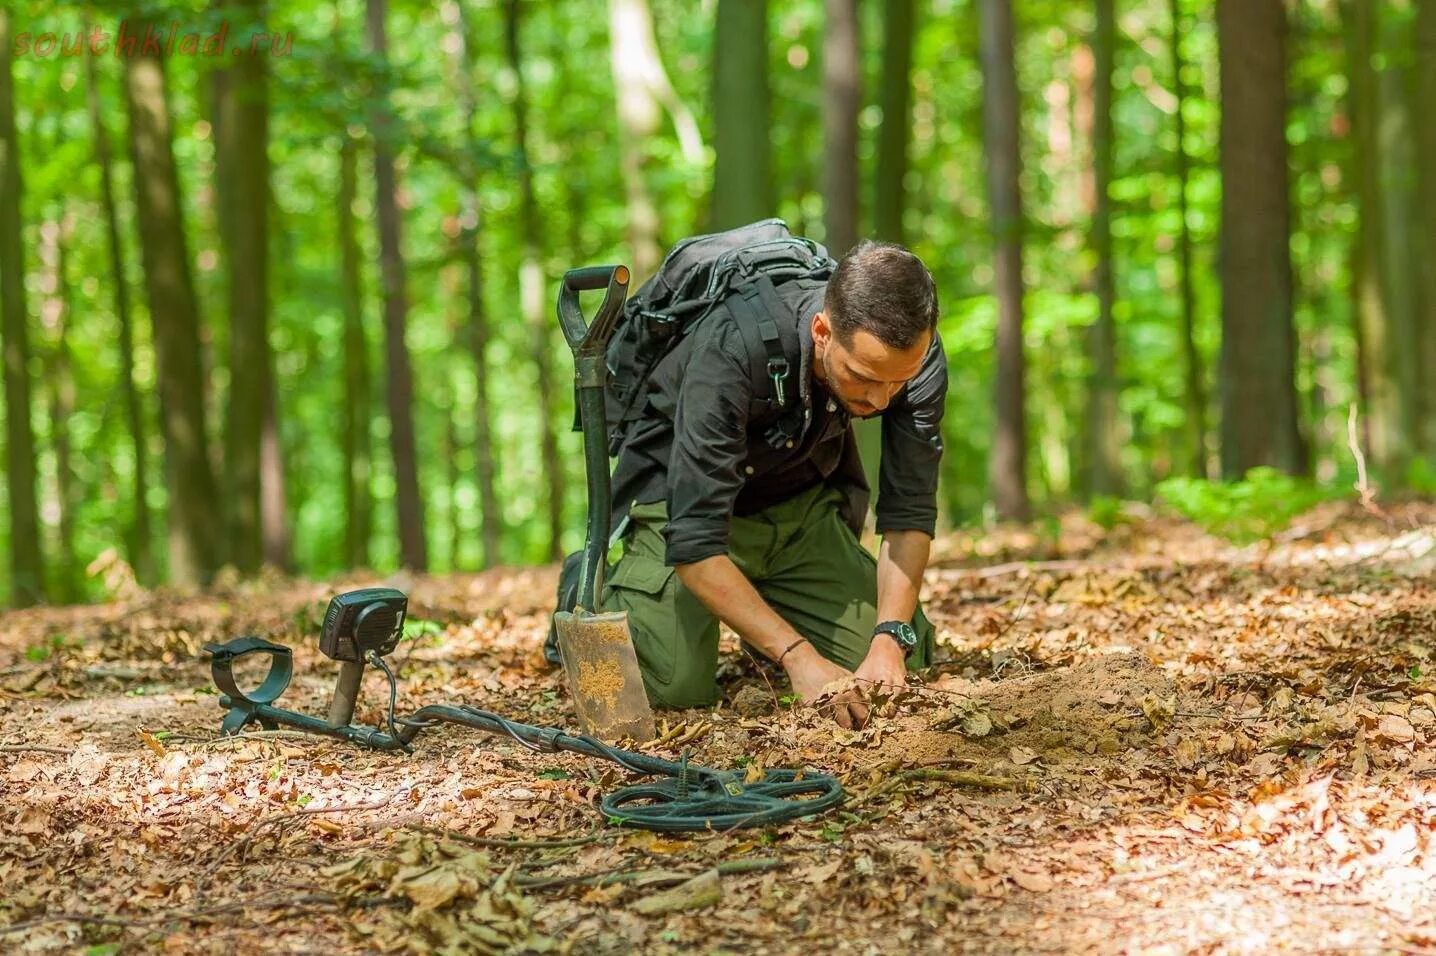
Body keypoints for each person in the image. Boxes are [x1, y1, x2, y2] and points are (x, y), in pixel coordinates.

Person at [593, 239, 946, 729]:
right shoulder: (734, 346)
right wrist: (797, 657)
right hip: (682, 507)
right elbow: (695, 541)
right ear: (822, 332)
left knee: (910, 652)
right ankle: (589, 593)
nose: (882, 399)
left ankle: (769, 608)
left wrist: (889, 637)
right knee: (671, 686)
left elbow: (909, 511)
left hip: (796, 508)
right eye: (863, 377)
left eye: (897, 383)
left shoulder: (912, 355)